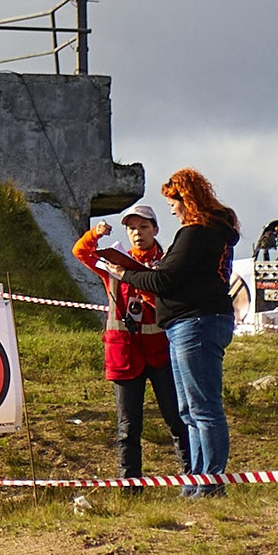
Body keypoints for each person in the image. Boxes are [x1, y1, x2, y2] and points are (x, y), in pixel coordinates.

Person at [105, 168, 241, 497]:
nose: (172, 210)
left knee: (203, 408)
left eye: (173, 203)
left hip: (196, 324)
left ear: (187, 200)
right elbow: (172, 274)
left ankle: (209, 483)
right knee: (189, 410)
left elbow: (165, 281)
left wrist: (125, 274)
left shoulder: (196, 233)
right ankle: (195, 482)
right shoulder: (209, 233)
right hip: (188, 325)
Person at [72, 204, 189, 484]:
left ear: (156, 230)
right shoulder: (114, 263)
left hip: (161, 353)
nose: (138, 233)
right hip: (124, 355)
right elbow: (80, 253)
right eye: (132, 228)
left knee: (176, 419)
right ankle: (130, 487)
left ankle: (192, 476)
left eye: (144, 227)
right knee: (128, 427)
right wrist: (95, 235)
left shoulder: (168, 262)